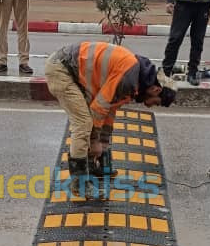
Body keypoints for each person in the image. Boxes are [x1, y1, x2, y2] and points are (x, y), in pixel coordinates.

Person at [44, 42, 177, 195]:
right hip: (62, 70)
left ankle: (93, 167)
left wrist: (103, 144)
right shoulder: (129, 78)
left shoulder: (135, 81)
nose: (152, 106)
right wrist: (94, 142)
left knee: (90, 123)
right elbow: (98, 108)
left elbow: (109, 111)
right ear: (156, 89)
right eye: (156, 102)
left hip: (71, 70)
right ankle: (79, 184)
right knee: (83, 123)